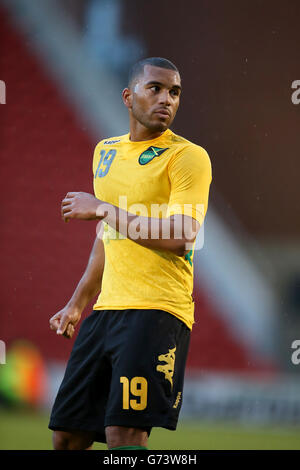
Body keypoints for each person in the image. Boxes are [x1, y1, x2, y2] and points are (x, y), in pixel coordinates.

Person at [48, 57, 212, 450]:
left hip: (157, 312)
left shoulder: (187, 157)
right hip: (106, 312)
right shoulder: (105, 152)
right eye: (154, 88)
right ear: (128, 96)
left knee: (124, 436)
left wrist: (104, 208)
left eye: (174, 92)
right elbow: (110, 235)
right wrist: (77, 302)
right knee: (67, 435)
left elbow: (182, 234)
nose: (166, 99)